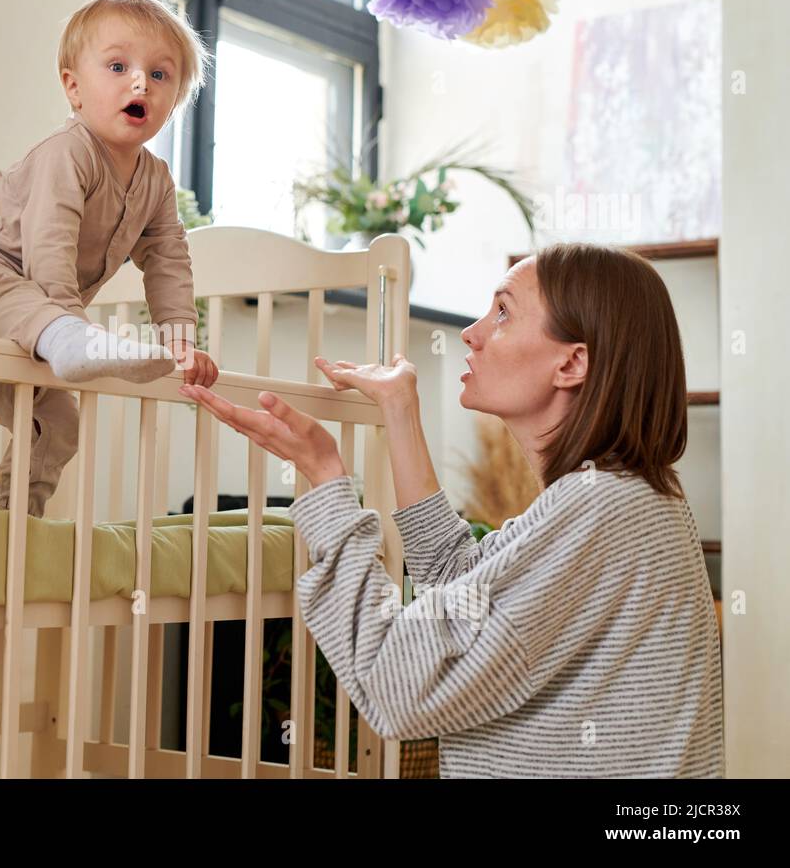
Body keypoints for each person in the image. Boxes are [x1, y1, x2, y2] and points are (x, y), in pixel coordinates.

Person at [179, 243, 723, 777]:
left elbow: (396, 684)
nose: (472, 331)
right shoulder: (628, 497)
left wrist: (326, 480)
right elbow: (461, 584)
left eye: (504, 312)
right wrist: (399, 410)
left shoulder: (600, 508)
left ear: (572, 362)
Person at [0, 0, 219, 517]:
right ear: (73, 88)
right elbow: (49, 240)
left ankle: (10, 531)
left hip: (36, 317)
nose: (139, 82)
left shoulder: (157, 182)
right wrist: (69, 321)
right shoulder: (69, 152)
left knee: (57, 423)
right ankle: (67, 338)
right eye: (119, 66)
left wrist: (180, 342)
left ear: (175, 100)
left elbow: (169, 259)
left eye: (160, 74)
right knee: (38, 314)